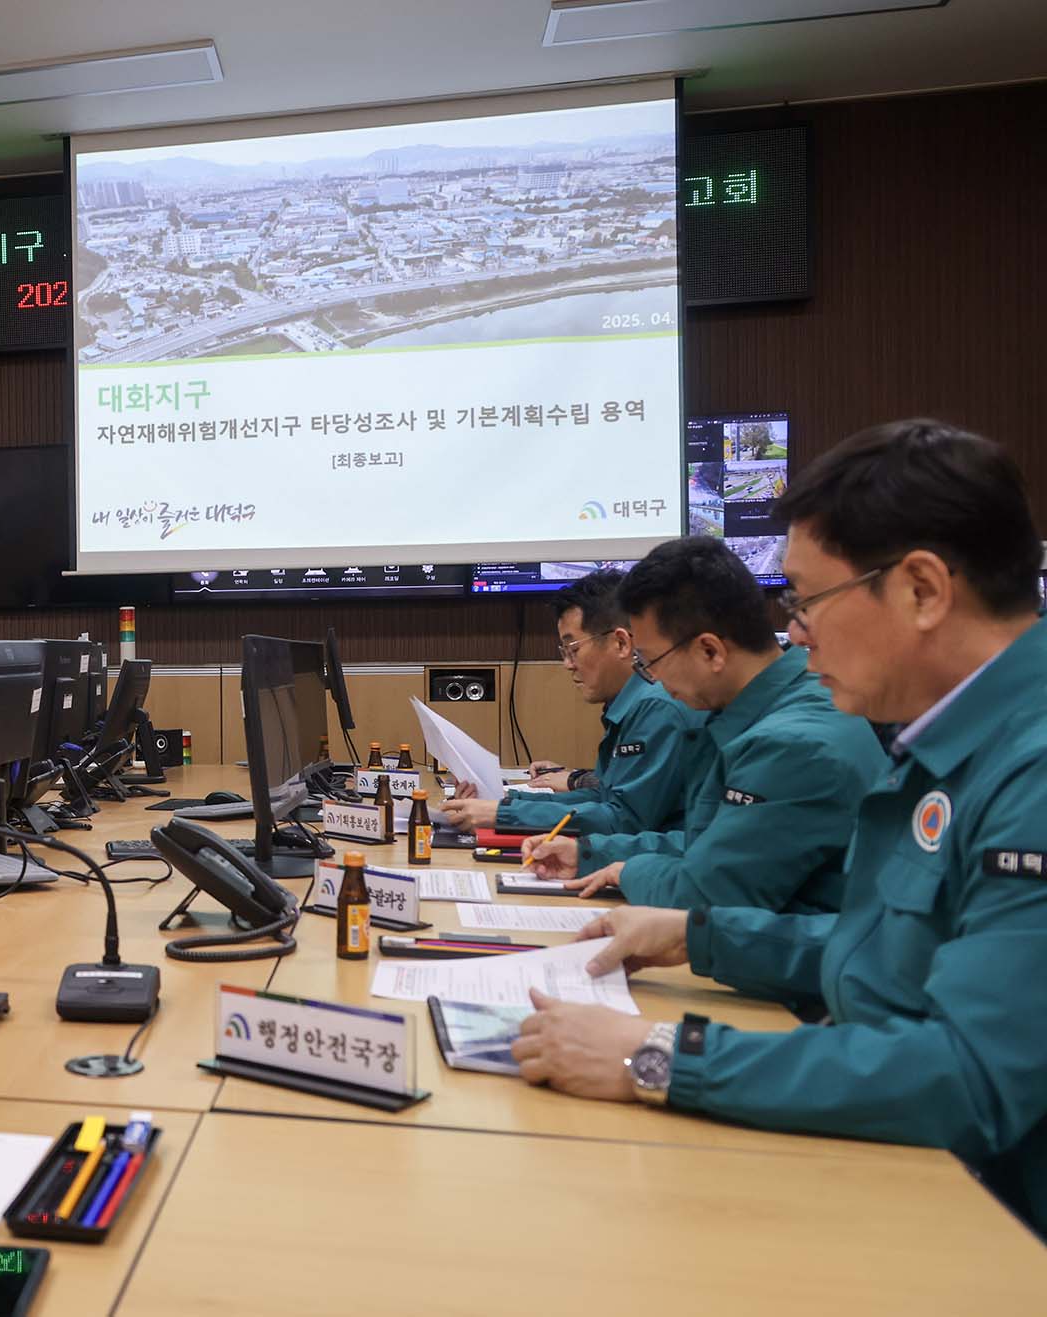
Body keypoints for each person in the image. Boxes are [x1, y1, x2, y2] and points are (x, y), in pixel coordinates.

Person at [513, 420, 1047, 1237]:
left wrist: (656, 1055)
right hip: (905, 1160)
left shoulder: (1029, 770)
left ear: (923, 590)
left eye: (808, 600)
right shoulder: (941, 739)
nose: (795, 631)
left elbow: (967, 1080)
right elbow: (885, 953)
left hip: (984, 1220)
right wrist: (703, 934)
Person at [521, 537, 886, 913]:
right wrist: (593, 853)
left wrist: (626, 872)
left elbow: (708, 894)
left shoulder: (789, 744)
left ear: (710, 651)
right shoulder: (758, 709)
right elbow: (711, 845)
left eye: (650, 661)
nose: (653, 681)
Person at [438, 570, 707, 836]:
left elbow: (623, 820)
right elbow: (604, 797)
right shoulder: (632, 703)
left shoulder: (656, 707)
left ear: (621, 643)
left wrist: (500, 814)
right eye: (564, 652)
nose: (567, 664)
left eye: (574, 649)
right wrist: (504, 803)